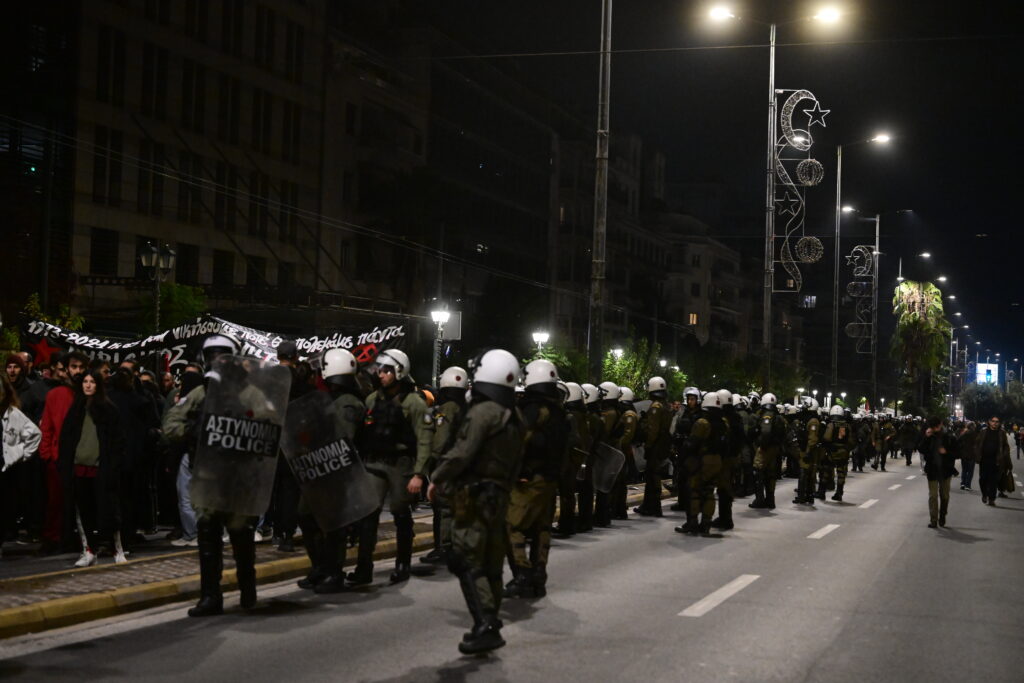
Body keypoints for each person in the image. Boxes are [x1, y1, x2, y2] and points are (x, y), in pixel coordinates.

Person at [164, 334, 270, 616]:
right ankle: (211, 596)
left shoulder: (250, 394)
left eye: (222, 356)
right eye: (212, 356)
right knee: (208, 537)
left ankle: (248, 591)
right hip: (208, 477)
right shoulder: (200, 394)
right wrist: (193, 430)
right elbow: (170, 424)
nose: (216, 362)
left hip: (238, 478)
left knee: (241, 536)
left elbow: (269, 431)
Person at [428, 349, 523, 655]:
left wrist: (437, 477)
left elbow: (462, 453)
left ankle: (485, 624)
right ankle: (491, 620)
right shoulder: (514, 416)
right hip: (500, 497)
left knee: (466, 559)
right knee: (493, 563)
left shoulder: (483, 413)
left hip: (475, 497)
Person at [351, 349, 431, 586]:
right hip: (375, 463)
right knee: (369, 514)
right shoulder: (372, 400)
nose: (382, 374)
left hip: (401, 465)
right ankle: (363, 567)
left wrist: (419, 474)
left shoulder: (414, 403)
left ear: (399, 371)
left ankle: (403, 563)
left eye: (387, 370)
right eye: (381, 370)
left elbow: (424, 439)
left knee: (400, 511)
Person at [296, 348, 365, 594]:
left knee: (333, 525)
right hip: (320, 468)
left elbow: (343, 438)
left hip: (335, 471)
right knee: (306, 516)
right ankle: (320, 567)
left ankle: (333, 573)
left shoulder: (347, 403)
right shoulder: (333, 400)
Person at [504, 359, 567, 599]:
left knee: (512, 525)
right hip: (550, 478)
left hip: (530, 478)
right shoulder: (558, 410)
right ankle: (539, 575)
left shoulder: (533, 409)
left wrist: (519, 470)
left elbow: (520, 440)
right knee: (542, 528)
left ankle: (522, 573)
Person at [57, 370, 127, 566]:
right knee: (83, 511)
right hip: (79, 467)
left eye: (92, 382)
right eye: (85, 381)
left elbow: (117, 441)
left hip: (101, 468)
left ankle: (117, 549)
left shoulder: (108, 409)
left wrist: (113, 466)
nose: (88, 385)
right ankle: (89, 550)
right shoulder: (76, 409)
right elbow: (66, 439)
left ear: (98, 385)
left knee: (109, 511)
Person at [416, 365, 468, 567]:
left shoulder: (448, 408)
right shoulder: (467, 406)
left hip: (447, 463)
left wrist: (430, 461)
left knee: (443, 507)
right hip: (463, 463)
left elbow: (441, 439)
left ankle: (444, 547)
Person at [39, 352, 88, 553]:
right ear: (66, 368)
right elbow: (47, 427)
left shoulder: (87, 393)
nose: (77, 371)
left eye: (80, 367)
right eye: (74, 367)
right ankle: (54, 538)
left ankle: (71, 537)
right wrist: (47, 454)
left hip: (81, 457)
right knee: (56, 501)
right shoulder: (55, 394)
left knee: (79, 501)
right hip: (59, 458)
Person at [676, 390, 729, 537]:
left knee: (694, 491)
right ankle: (705, 524)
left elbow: (692, 443)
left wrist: (683, 458)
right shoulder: (724, 422)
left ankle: (692, 523)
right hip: (717, 461)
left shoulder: (702, 422)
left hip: (703, 460)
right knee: (709, 492)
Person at [1, 372, 42, 557]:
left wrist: (19, 454)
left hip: (5, 470)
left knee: (4, 507)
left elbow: (34, 434)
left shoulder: (13, 414)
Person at [553, 382, 588, 536]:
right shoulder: (575, 415)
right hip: (568, 459)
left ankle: (566, 525)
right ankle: (566, 524)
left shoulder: (569, 416)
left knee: (566, 494)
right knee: (567, 493)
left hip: (566, 460)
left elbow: (573, 440)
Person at [635, 377, 671, 517]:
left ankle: (654, 506)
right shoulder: (665, 405)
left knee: (652, 476)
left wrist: (648, 446)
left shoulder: (656, 406)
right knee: (652, 475)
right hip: (662, 444)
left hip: (656, 445)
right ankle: (648, 505)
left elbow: (653, 430)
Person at [919, 418, 958, 528]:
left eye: (937, 426)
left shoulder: (949, 436)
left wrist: (946, 452)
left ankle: (943, 515)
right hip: (932, 470)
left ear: (941, 425)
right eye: (933, 427)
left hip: (946, 470)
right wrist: (926, 437)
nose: (935, 429)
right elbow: (921, 449)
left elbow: (956, 453)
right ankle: (933, 520)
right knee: (933, 495)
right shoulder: (929, 436)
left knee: (944, 496)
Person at [750, 393, 786, 509]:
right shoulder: (778, 416)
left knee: (757, 471)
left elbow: (765, 432)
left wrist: (761, 444)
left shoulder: (767, 415)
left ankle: (759, 499)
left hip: (766, 448)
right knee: (771, 474)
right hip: (775, 448)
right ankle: (770, 500)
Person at [819, 405, 855, 502]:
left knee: (826, 472)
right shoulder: (847, 425)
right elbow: (851, 441)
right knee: (841, 474)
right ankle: (839, 493)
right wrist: (846, 448)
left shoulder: (831, 424)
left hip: (832, 452)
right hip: (843, 453)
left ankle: (822, 493)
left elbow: (827, 438)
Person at [973, 415, 1011, 506]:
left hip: (996, 461)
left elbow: (1005, 446)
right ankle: (984, 494)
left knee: (993, 481)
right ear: (989, 422)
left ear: (999, 423)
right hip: (984, 460)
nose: (995, 423)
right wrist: (977, 454)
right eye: (993, 421)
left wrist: (1004, 455)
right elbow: (977, 444)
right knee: (983, 479)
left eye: (997, 421)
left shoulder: (1002, 433)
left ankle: (991, 498)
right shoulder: (983, 432)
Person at [957, 421, 978, 491]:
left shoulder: (964, 433)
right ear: (972, 426)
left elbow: (958, 440)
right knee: (970, 471)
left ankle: (963, 483)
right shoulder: (974, 434)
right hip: (971, 454)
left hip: (964, 454)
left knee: (964, 470)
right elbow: (977, 444)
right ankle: (967, 485)